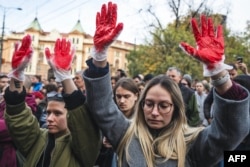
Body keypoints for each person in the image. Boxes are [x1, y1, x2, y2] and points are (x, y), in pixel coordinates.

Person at [83, 4, 249, 166]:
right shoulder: (126, 134)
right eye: (149, 104)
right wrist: (100, 55)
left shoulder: (192, 143)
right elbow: (102, 107)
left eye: (163, 106)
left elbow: (229, 132)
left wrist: (218, 71)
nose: (154, 112)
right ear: (141, 104)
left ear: (176, 108)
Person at [4, 34, 101, 167]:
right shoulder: (37, 139)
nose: (49, 118)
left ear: (71, 116)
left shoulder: (84, 147)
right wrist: (17, 74)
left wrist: (65, 76)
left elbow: (82, 120)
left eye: (57, 113)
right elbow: (17, 115)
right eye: (48, 112)